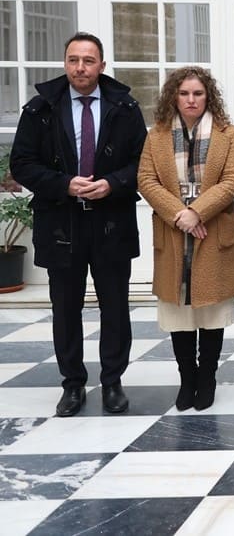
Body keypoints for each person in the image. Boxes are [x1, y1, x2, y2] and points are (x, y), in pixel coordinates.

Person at [10, 32, 147, 417]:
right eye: (73, 60)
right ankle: (72, 384)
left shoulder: (125, 107)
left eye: (88, 61)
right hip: (61, 222)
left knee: (115, 307)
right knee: (66, 309)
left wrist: (113, 183)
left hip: (111, 221)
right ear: (65, 63)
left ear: (102, 65)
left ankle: (112, 382)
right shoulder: (40, 108)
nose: (80, 68)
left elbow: (143, 162)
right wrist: (64, 184)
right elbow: (21, 163)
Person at [137, 66, 234, 412]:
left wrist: (197, 212)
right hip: (173, 230)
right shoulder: (157, 135)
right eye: (184, 93)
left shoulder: (228, 134)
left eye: (198, 93)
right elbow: (146, 180)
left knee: (211, 310)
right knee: (178, 311)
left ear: (208, 96)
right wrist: (180, 215)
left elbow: (233, 180)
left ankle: (207, 378)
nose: (191, 100)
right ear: (174, 96)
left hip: (213, 228)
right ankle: (187, 379)